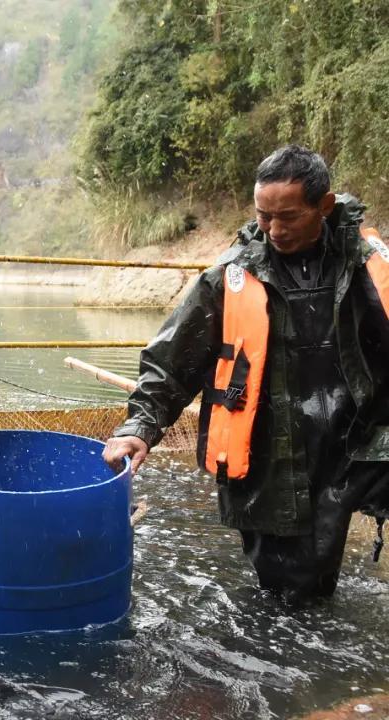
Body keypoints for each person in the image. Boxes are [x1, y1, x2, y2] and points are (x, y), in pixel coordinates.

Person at [103, 145, 389, 602]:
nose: (273, 229)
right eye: (263, 215)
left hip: (363, 445)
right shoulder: (227, 280)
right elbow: (169, 363)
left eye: (289, 216)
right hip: (275, 463)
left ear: (325, 206)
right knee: (295, 601)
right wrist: (140, 427)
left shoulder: (368, 264)